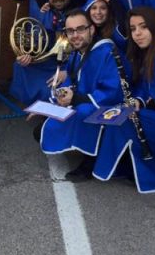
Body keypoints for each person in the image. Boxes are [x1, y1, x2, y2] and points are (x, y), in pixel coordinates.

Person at [92, 7, 155, 191]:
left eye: (143, 27)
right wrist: (138, 101)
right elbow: (146, 90)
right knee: (116, 113)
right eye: (133, 29)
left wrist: (146, 107)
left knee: (126, 118)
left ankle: (148, 169)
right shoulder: (147, 55)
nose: (137, 33)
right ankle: (123, 164)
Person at [40, 9, 126, 179]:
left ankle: (91, 160)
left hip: (116, 108)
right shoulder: (77, 53)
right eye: (70, 31)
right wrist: (62, 94)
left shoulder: (107, 51)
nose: (75, 35)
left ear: (91, 29)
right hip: (85, 103)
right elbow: (72, 82)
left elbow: (114, 92)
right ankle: (85, 145)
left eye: (80, 29)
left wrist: (77, 98)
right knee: (40, 130)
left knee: (84, 112)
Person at [10, 0, 73, 105]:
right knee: (20, 66)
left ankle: (49, 109)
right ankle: (38, 107)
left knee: (51, 91)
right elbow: (38, 43)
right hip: (50, 62)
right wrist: (27, 55)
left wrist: (68, 71)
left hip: (70, 64)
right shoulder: (45, 12)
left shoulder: (79, 14)